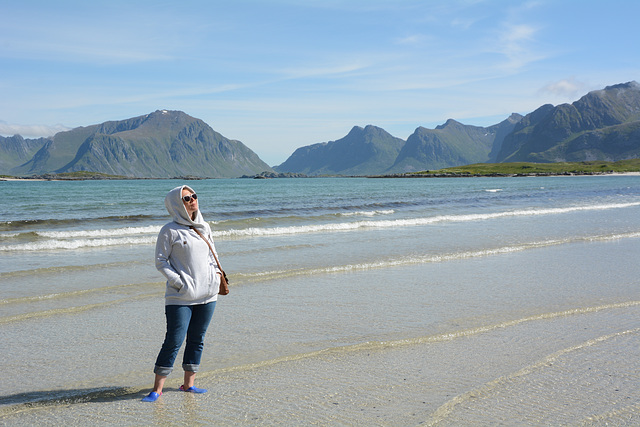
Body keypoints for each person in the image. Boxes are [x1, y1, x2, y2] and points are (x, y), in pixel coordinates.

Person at [142, 185, 222, 402]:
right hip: (180, 296)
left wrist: (215, 276)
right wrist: (179, 282)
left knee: (197, 339)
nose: (192, 200)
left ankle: (189, 385)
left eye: (194, 196)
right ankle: (157, 389)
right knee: (174, 340)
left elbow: (213, 256)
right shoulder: (169, 230)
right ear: (177, 203)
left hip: (207, 295)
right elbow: (160, 261)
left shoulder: (204, 227)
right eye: (187, 198)